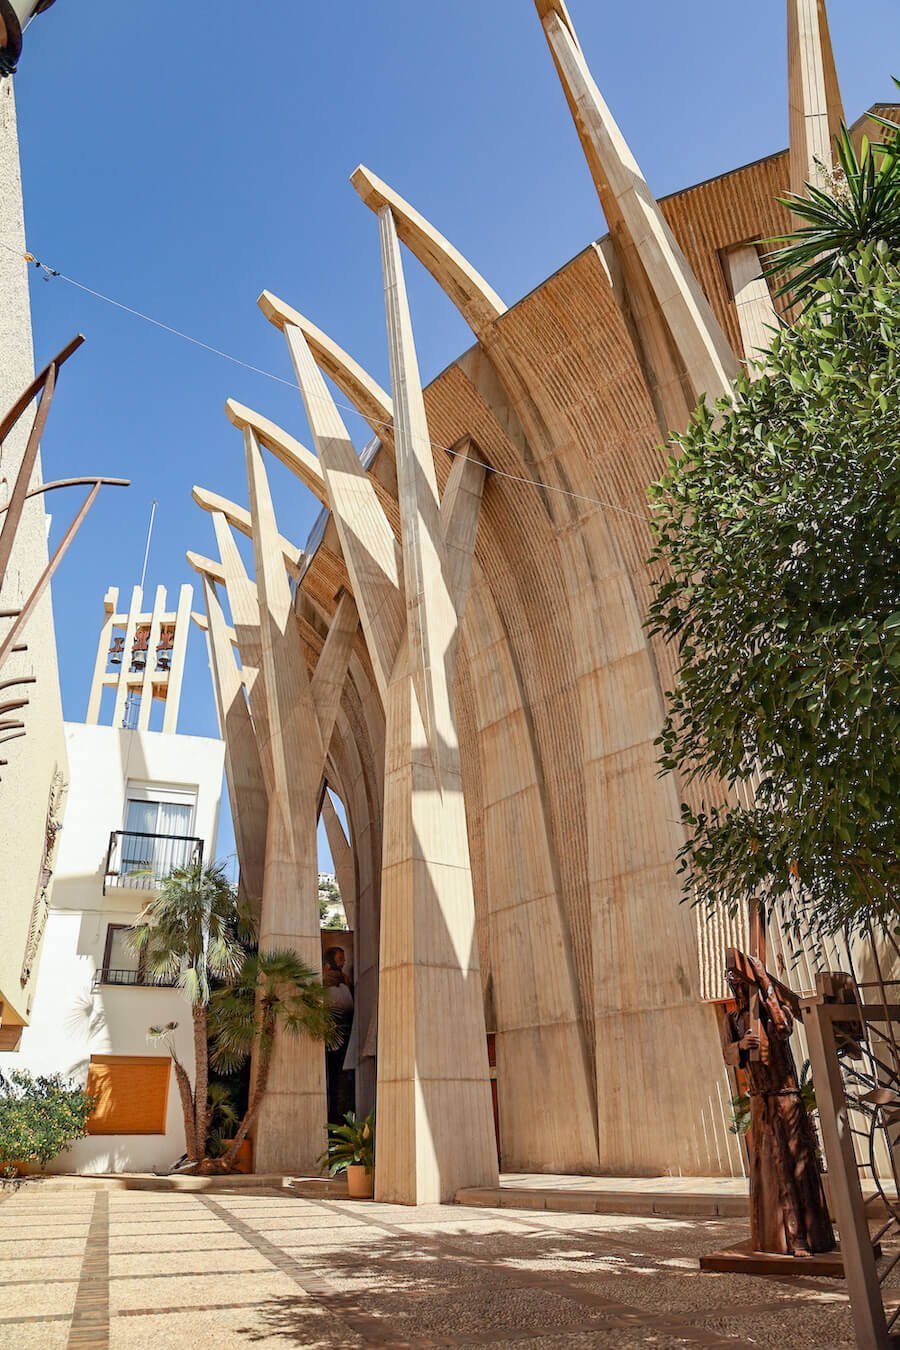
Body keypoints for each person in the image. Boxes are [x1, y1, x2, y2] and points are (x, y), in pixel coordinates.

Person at [723, 952, 835, 1256]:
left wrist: (765, 983)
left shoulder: (773, 1011)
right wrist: (741, 1046)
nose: (736, 986)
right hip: (760, 1101)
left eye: (740, 981)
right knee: (770, 1170)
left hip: (785, 1097)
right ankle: (774, 1238)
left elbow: (785, 1027)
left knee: (794, 1167)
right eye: (731, 981)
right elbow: (728, 1055)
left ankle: (805, 1238)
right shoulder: (733, 1018)